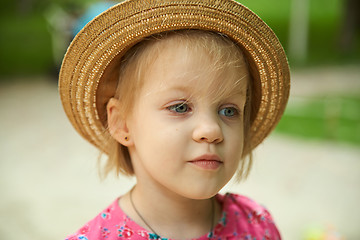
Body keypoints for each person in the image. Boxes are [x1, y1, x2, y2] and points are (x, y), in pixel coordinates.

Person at [59, 0, 290, 239]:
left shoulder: (257, 226)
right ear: (122, 124)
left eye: (229, 111)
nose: (211, 130)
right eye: (180, 107)